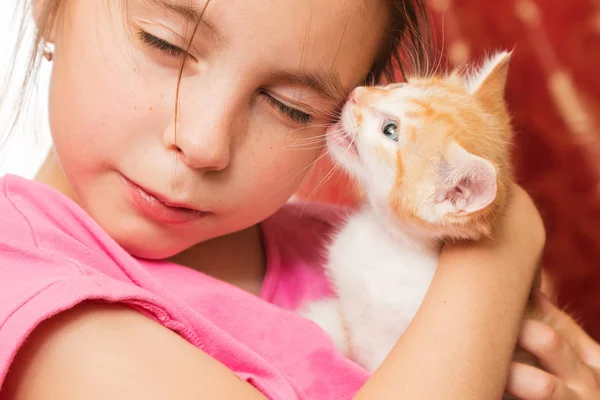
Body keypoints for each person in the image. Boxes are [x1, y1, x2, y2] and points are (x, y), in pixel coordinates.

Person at [0, 0, 598, 398]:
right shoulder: (23, 281)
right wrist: (505, 239)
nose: (204, 142)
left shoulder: (354, 245)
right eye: (167, 45)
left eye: (291, 106)